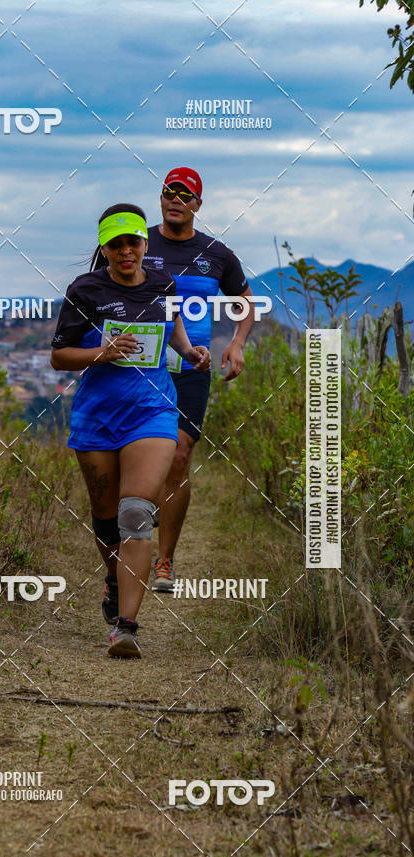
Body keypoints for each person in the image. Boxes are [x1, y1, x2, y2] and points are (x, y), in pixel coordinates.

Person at [51, 203, 211, 658]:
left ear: (144, 244)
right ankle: (114, 581)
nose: (126, 251)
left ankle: (127, 628)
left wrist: (190, 350)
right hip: (98, 418)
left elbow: (172, 327)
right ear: (104, 248)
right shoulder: (85, 290)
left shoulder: (163, 285)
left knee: (135, 514)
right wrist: (100, 354)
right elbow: (59, 356)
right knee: (105, 520)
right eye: (116, 244)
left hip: (152, 412)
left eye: (133, 242)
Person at [143, 167, 255, 591]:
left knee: (178, 456)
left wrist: (237, 343)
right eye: (169, 191)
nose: (175, 199)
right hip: (140, 368)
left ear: (197, 205)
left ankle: (165, 562)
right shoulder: (139, 243)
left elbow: (246, 303)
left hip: (193, 367)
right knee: (136, 457)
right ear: (161, 199)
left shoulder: (217, 254)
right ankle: (128, 540)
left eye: (185, 194)